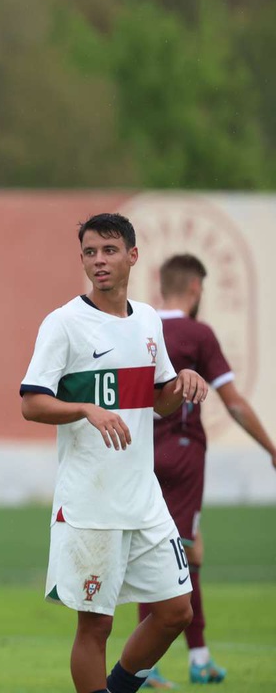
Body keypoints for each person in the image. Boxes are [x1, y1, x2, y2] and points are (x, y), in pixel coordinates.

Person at [20, 212, 210, 693]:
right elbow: (31, 403)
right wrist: (86, 408)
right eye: (89, 252)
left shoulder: (147, 320)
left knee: (176, 611)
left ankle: (121, 686)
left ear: (132, 255)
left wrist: (182, 383)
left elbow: (160, 399)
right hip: (90, 502)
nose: (98, 261)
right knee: (95, 628)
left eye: (108, 250)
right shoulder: (63, 324)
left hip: (143, 500)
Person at [140, 254, 276, 688]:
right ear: (196, 288)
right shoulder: (198, 333)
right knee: (167, 556)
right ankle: (148, 665)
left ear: (162, 285)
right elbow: (232, 402)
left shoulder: (140, 326)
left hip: (140, 452)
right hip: (182, 453)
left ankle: (199, 658)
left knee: (188, 552)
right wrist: (271, 447)